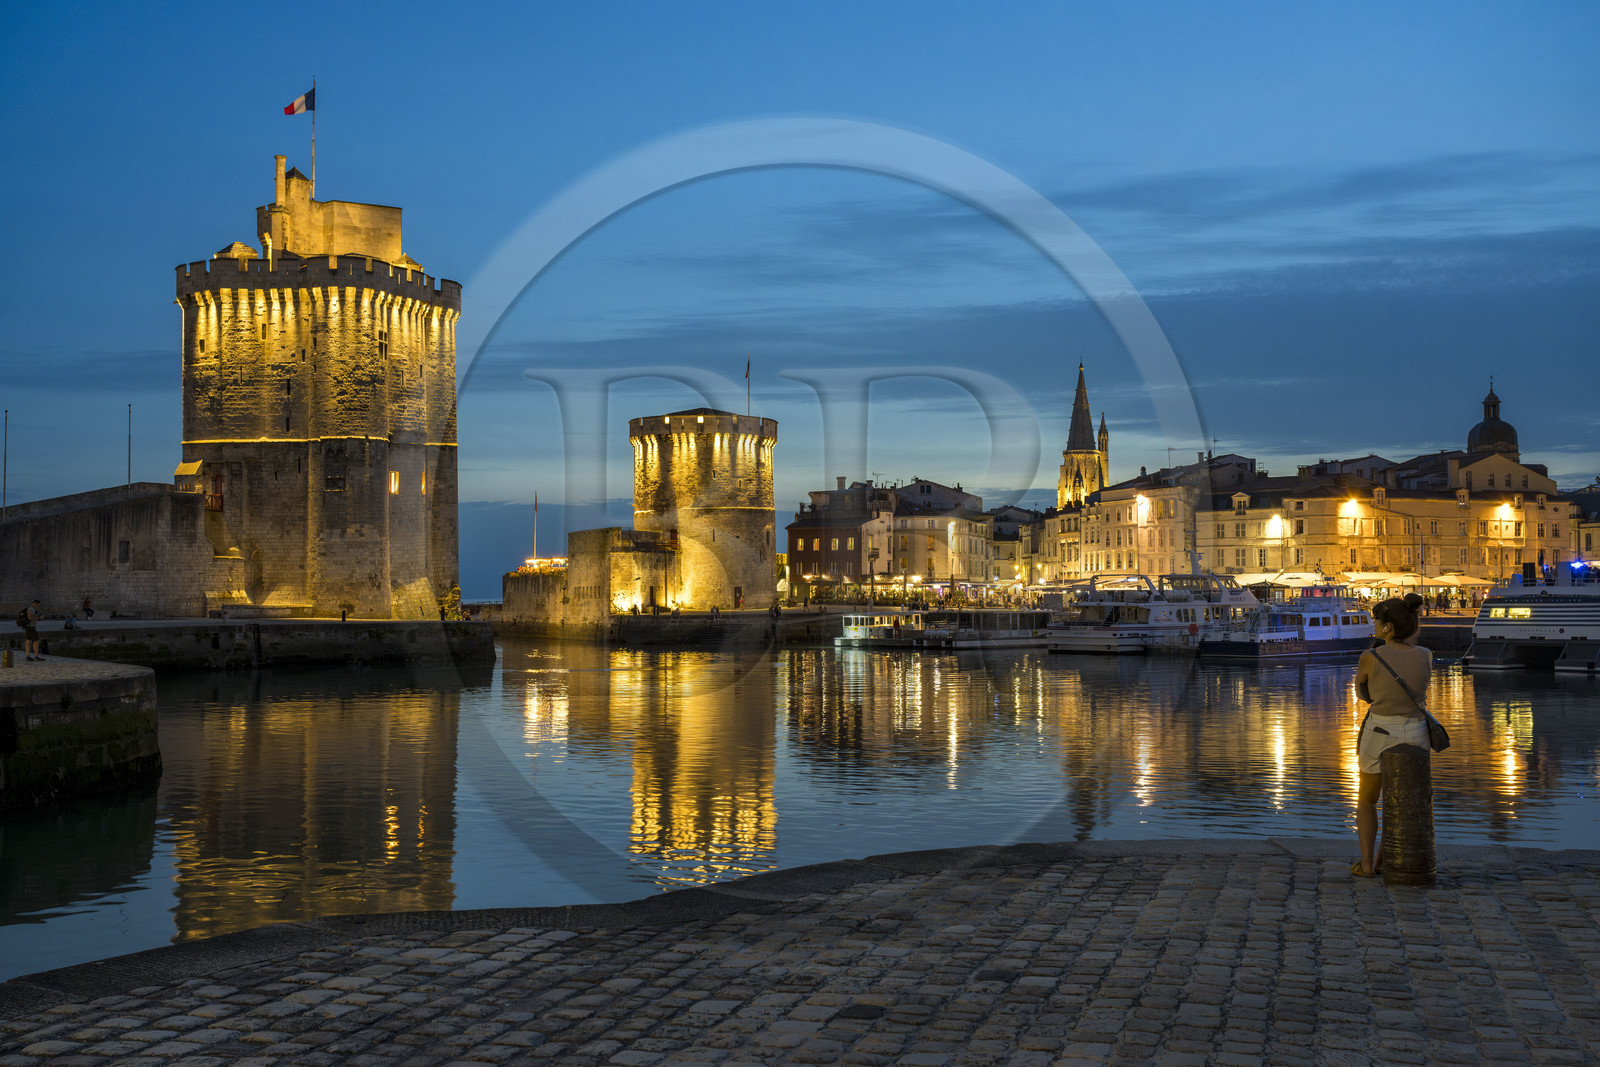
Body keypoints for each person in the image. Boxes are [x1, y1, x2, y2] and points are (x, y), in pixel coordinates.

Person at [1351, 593, 1431, 877]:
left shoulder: (1370, 657)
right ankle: (1383, 860)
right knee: (1401, 801)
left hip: (1381, 731)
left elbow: (1363, 694)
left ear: (1387, 626)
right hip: (1417, 732)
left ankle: (1366, 864)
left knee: (1368, 799)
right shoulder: (1426, 655)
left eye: (1377, 620)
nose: (1374, 624)